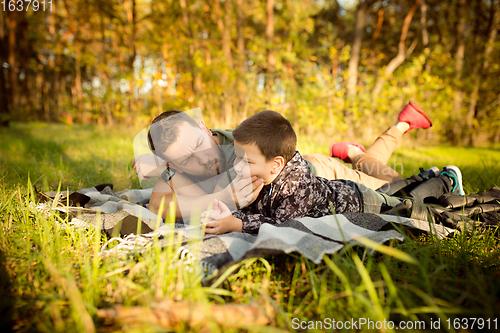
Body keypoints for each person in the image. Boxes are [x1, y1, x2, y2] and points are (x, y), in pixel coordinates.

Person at [133, 101, 432, 219]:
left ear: (204, 128)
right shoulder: (175, 168)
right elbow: (159, 205)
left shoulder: (226, 142)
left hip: (319, 175)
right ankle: (354, 151)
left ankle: (398, 127)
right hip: (298, 173)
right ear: (172, 164)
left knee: (389, 184)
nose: (203, 160)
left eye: (200, 144)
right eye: (187, 159)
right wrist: (224, 196)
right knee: (374, 170)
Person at [200, 110, 463, 235]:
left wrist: (238, 223)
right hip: (346, 188)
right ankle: (428, 177)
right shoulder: (259, 170)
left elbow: (284, 224)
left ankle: (444, 181)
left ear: (276, 164)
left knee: (405, 203)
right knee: (391, 190)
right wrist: (230, 212)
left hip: (358, 201)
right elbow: (257, 208)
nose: (237, 166)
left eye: (245, 162)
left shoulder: (295, 186)